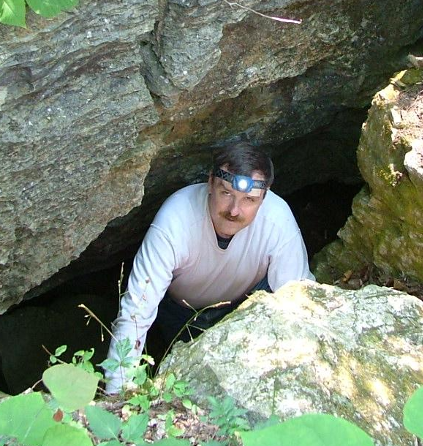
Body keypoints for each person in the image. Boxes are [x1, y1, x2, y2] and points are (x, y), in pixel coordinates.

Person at [103, 141, 314, 394]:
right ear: (210, 183)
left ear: (264, 197)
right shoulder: (176, 220)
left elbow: (297, 300)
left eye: (249, 200)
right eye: (227, 193)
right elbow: (136, 314)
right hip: (183, 316)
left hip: (251, 304)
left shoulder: (277, 219)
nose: (234, 210)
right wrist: (117, 394)